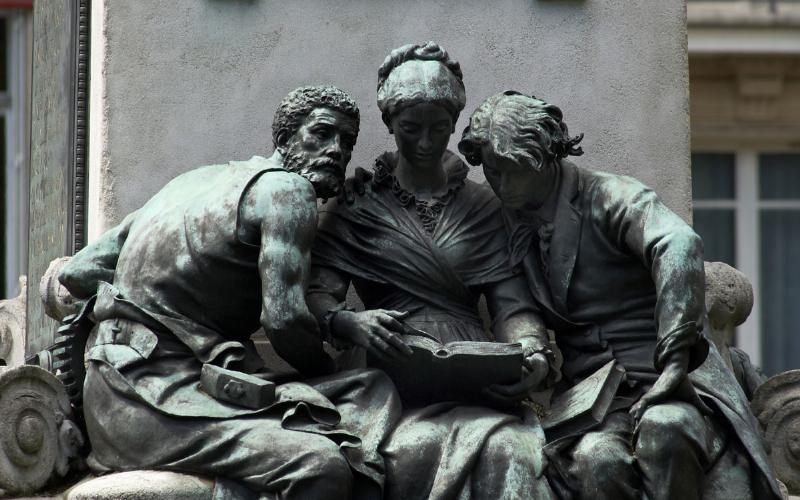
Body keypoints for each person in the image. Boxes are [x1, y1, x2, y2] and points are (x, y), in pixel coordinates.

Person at [57, 86, 402, 500]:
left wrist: (146, 310)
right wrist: (329, 369)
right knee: (319, 465)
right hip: (153, 402)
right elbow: (285, 321)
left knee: (367, 389)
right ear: (285, 138)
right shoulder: (288, 192)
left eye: (347, 142)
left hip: (112, 391)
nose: (336, 151)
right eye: (322, 133)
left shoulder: (189, 184)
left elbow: (77, 272)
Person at [458, 90, 783, 500]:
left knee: (666, 432)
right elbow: (516, 306)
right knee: (598, 460)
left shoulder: (608, 195)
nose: (498, 184)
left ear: (542, 158)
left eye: (508, 170)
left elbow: (678, 244)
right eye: (490, 172)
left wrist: (675, 358)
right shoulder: (507, 225)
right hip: (593, 401)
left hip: (671, 382)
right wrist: (531, 357)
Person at [308, 43, 555, 500]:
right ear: (389, 125)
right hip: (385, 380)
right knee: (396, 454)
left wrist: (532, 353)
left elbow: (511, 305)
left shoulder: (483, 206)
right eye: (410, 129)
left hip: (473, 379)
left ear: (455, 125)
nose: (425, 142)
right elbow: (317, 292)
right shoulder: (358, 203)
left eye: (439, 129)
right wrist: (350, 322)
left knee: (510, 452)